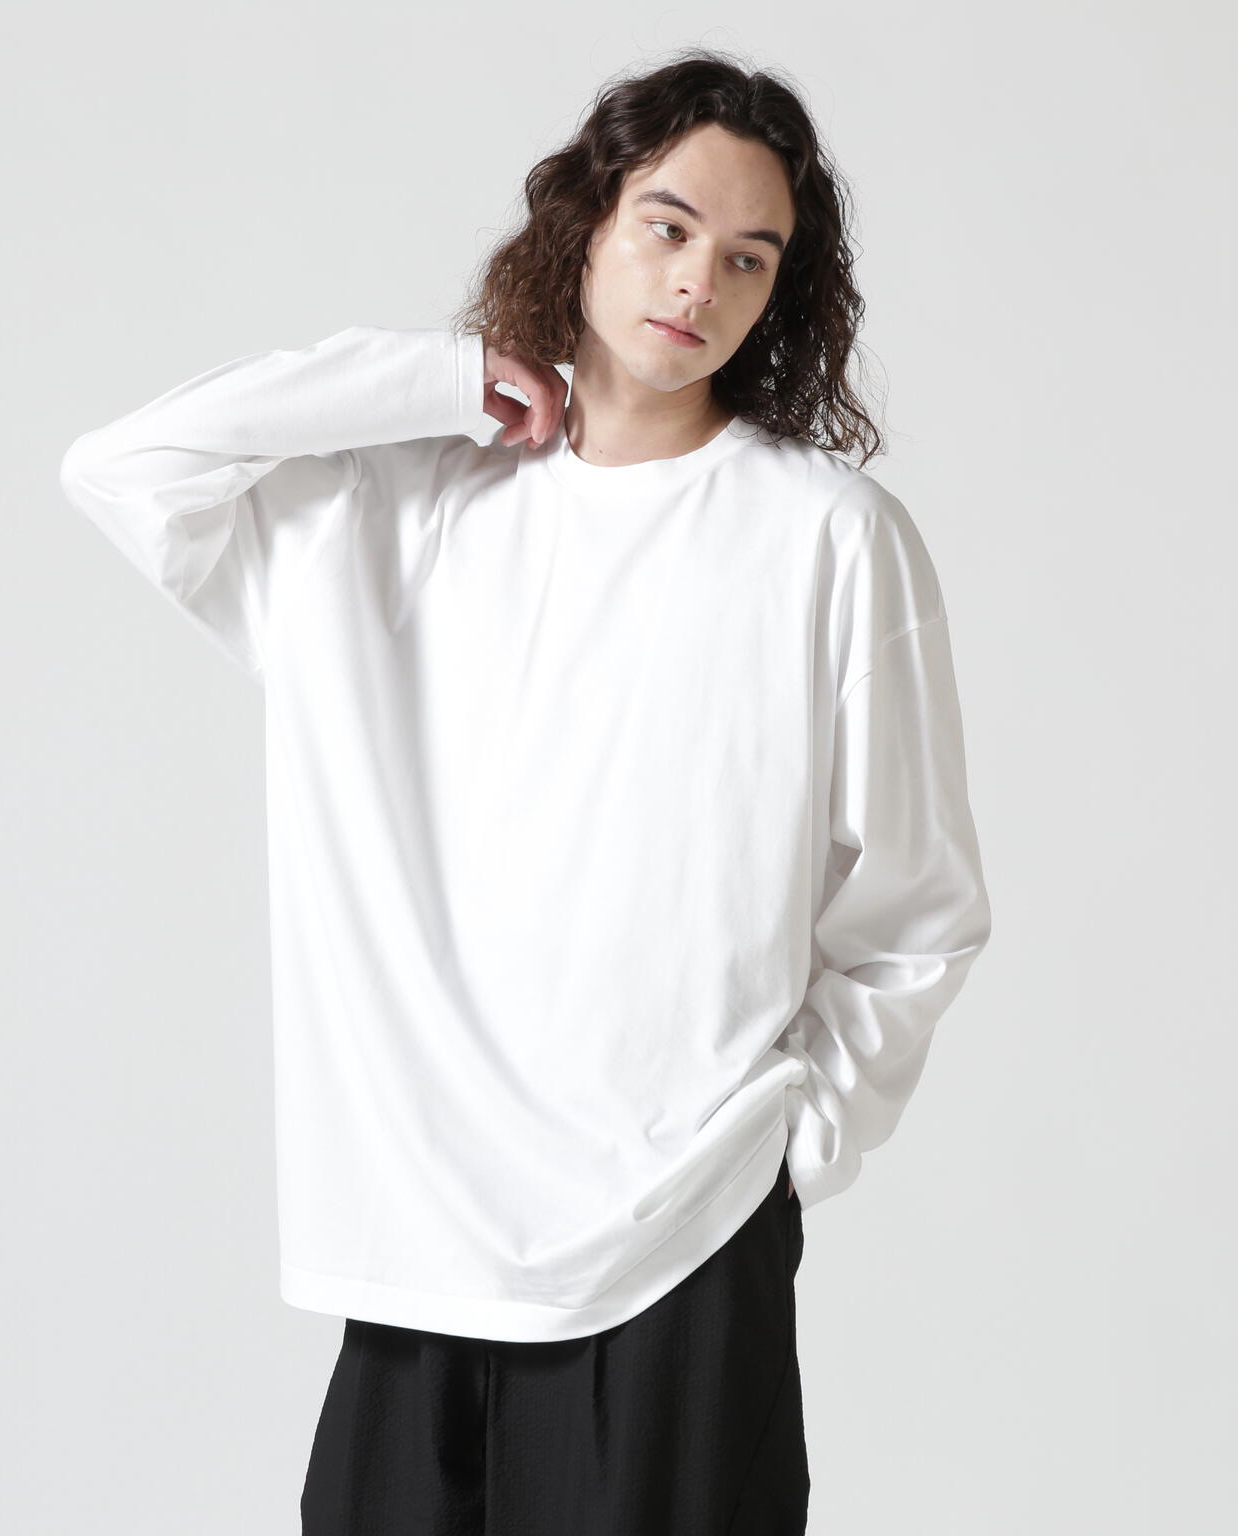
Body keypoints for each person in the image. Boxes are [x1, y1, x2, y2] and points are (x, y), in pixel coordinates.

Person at [58, 48, 992, 1536]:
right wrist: (441, 376)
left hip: (680, 1247)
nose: (698, 282)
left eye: (749, 258)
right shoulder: (392, 516)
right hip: (414, 1254)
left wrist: (796, 1144)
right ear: (587, 221)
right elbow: (126, 467)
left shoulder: (826, 537)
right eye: (668, 226)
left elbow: (918, 907)